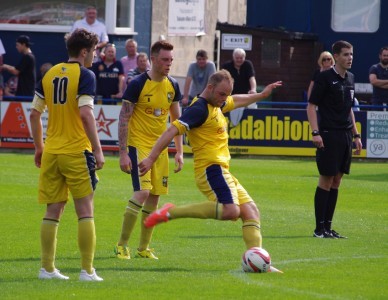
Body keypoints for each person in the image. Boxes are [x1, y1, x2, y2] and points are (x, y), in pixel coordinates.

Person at [138, 70, 282, 273]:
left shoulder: (217, 102)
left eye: (227, 94)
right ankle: (170, 212)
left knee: (251, 211)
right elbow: (172, 129)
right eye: (222, 94)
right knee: (232, 211)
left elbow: (236, 100)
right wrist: (151, 157)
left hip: (223, 169)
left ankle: (257, 263)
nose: (225, 99)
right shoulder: (199, 109)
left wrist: (260, 95)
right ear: (210, 88)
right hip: (210, 169)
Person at [29, 28, 105, 281]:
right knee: (85, 209)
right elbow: (85, 113)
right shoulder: (86, 75)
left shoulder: (49, 73)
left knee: (53, 211)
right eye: (93, 51)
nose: (94, 55)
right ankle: (87, 271)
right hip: (75, 151)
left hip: (52, 151)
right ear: (84, 51)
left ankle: (47, 269)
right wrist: (98, 148)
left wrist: (39, 147)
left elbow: (34, 113)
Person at [114, 40, 183, 260]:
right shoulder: (137, 84)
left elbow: (177, 121)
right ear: (153, 59)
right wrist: (123, 152)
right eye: (165, 59)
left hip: (160, 149)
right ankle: (121, 244)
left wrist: (179, 151)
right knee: (142, 192)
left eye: (171, 60)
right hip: (138, 145)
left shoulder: (173, 85)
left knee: (154, 197)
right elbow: (124, 116)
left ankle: (143, 248)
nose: (169, 64)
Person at [307, 40, 362, 239]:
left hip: (346, 135)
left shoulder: (351, 78)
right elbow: (311, 106)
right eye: (346, 54)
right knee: (326, 179)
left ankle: (329, 228)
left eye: (351, 54)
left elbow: (349, 109)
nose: (350, 58)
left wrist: (356, 135)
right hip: (329, 134)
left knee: (337, 180)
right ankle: (318, 229)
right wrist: (316, 132)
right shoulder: (324, 78)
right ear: (336, 56)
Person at [369, 46, 388, 111]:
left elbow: (376, 83)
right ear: (380, 56)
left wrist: (379, 84)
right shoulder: (374, 68)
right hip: (377, 103)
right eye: (384, 55)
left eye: (387, 55)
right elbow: (373, 81)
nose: (386, 57)